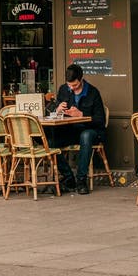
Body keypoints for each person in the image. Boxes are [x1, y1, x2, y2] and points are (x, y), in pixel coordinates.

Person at [49, 63, 107, 195]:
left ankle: (81, 180)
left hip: (91, 131)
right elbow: (54, 110)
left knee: (85, 136)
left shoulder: (93, 92)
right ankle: (69, 178)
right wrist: (57, 110)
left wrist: (81, 115)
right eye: (69, 85)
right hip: (71, 130)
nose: (72, 88)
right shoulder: (63, 89)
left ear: (81, 79)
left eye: (74, 85)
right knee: (50, 142)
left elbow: (100, 120)